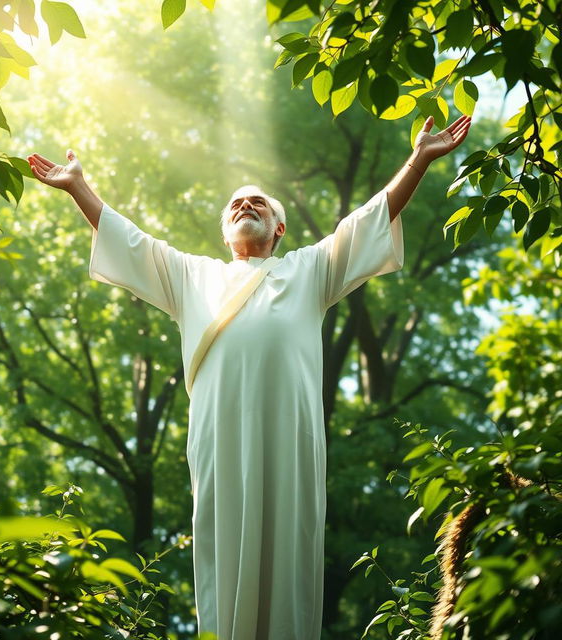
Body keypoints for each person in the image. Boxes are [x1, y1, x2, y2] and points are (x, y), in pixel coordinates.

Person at [28, 113, 471, 640]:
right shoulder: (194, 277)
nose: (245, 206)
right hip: (221, 438)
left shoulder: (309, 270)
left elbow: (366, 222)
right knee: (224, 549)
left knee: (290, 551)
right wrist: (79, 188)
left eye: (257, 202)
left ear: (278, 229)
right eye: (236, 204)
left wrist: (418, 159)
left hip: (291, 439)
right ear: (225, 232)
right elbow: (133, 243)